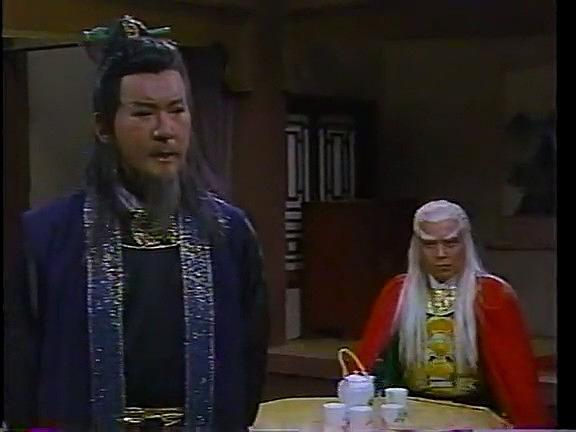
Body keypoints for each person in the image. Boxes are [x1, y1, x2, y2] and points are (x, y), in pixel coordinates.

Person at [5, 16, 269, 431]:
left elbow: (249, 361)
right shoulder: (47, 235)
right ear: (103, 127)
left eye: (177, 110)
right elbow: (21, 373)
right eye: (143, 114)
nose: (165, 130)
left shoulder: (229, 233)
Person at [356, 200, 551, 427]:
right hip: (410, 413)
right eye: (430, 245)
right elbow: (372, 364)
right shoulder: (397, 294)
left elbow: (516, 380)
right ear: (417, 248)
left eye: (451, 243)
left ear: (466, 244)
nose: (441, 254)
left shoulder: (494, 296)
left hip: (479, 412)